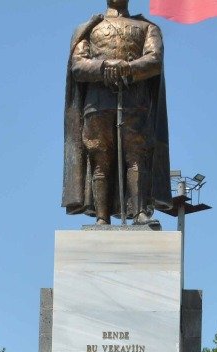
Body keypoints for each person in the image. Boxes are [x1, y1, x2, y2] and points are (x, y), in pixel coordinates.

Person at [63, 0, 171, 226]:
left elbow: (154, 61)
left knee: (137, 156)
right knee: (99, 158)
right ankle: (102, 217)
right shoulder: (88, 28)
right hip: (97, 103)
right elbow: (78, 66)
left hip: (135, 102)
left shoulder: (147, 27)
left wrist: (128, 68)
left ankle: (140, 212)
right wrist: (103, 67)